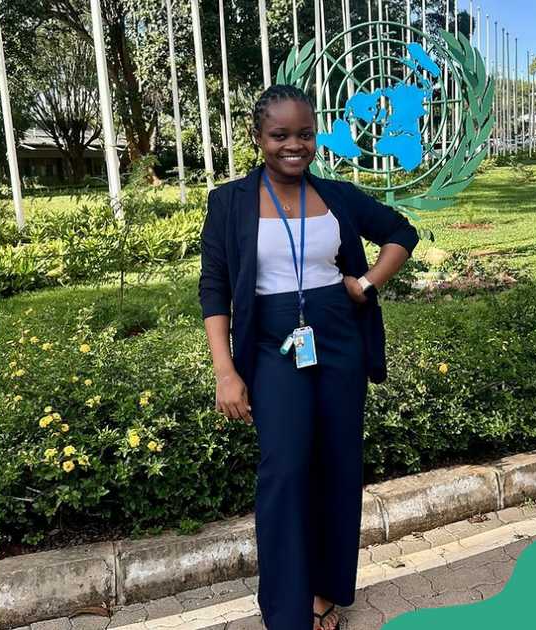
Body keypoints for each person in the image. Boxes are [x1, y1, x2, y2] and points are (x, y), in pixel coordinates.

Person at [198, 85, 418, 630]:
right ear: (258, 139)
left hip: (338, 341)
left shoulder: (338, 196)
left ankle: (323, 594)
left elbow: (400, 233)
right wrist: (226, 371)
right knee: (286, 468)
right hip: (273, 347)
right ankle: (285, 611)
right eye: (280, 135)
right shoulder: (230, 201)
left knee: (339, 466)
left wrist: (366, 283)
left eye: (304, 134)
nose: (294, 146)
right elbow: (214, 287)